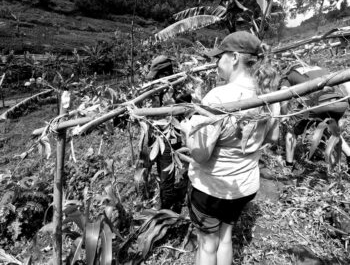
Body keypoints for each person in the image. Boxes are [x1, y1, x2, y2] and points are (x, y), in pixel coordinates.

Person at [181, 31, 280, 265]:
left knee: (207, 245)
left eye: (220, 56)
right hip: (244, 187)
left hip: (212, 189)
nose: (217, 62)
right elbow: (274, 137)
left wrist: (187, 132)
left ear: (234, 57)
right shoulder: (269, 94)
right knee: (225, 239)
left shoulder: (218, 98)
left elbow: (202, 155)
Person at [280, 61, 350, 171]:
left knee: (291, 130)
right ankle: (349, 156)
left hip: (318, 103)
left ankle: (289, 165)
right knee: (331, 130)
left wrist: (284, 115)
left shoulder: (289, 75)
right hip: (340, 102)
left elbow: (283, 95)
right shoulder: (319, 68)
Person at [145, 55, 190, 212]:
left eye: (157, 76)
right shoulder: (158, 90)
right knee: (161, 171)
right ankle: (166, 199)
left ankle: (168, 208)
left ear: (164, 74)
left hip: (170, 138)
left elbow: (185, 112)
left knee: (166, 175)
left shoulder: (180, 92)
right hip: (158, 137)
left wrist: (171, 102)